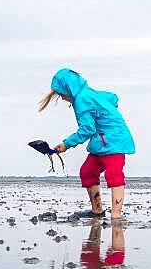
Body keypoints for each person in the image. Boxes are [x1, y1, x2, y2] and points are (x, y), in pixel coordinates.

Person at [38, 68, 135, 219]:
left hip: (114, 141)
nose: (63, 98)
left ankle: (116, 215)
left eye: (62, 94)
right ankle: (97, 211)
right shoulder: (90, 94)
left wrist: (66, 144)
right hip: (101, 142)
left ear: (69, 89)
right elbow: (113, 98)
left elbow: (87, 129)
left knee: (113, 174)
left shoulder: (82, 99)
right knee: (88, 172)